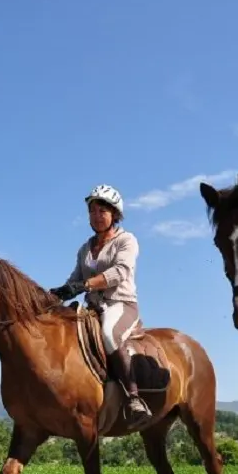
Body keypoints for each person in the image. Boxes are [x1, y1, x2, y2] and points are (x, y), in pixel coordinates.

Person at [50, 184, 153, 431]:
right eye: (93, 211)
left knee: (108, 334)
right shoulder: (85, 248)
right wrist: (54, 295)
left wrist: (85, 285)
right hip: (93, 309)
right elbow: (74, 278)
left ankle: (134, 397)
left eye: (102, 211)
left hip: (121, 304)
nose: (96, 216)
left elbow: (119, 272)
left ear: (114, 215)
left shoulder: (126, 240)